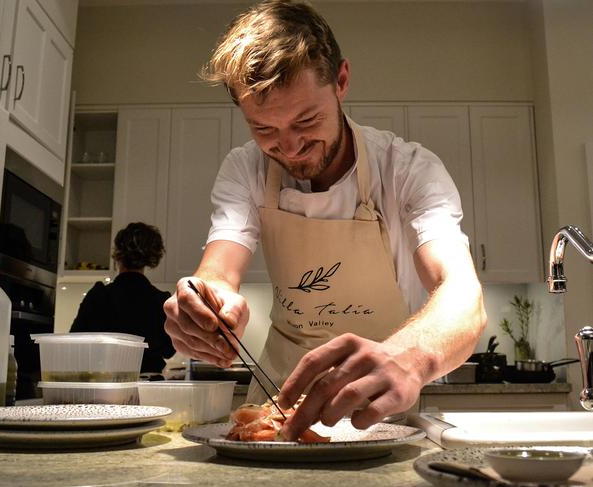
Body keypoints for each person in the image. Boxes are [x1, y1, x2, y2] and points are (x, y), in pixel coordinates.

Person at [163, 0, 486, 440]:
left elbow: (462, 294)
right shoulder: (245, 170)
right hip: (274, 405)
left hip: (378, 411)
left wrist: (409, 358)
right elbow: (219, 268)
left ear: (341, 81)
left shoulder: (409, 169)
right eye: (265, 130)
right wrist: (208, 305)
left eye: (306, 120)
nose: (290, 148)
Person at [71, 222, 175, 374]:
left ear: (117, 255)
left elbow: (75, 341)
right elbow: (169, 350)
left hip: (104, 385)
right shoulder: (162, 300)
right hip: (149, 386)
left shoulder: (99, 295)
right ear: (151, 258)